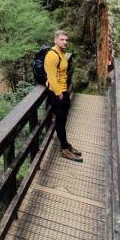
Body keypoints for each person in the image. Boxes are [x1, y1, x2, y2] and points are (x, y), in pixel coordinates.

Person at [44, 30, 82, 162]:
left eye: (66, 40)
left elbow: (61, 73)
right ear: (55, 40)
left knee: (63, 119)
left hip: (63, 91)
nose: (65, 42)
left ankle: (65, 144)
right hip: (57, 93)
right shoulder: (52, 55)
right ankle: (64, 149)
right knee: (60, 121)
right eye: (62, 39)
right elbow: (51, 77)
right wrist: (59, 94)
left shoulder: (61, 53)